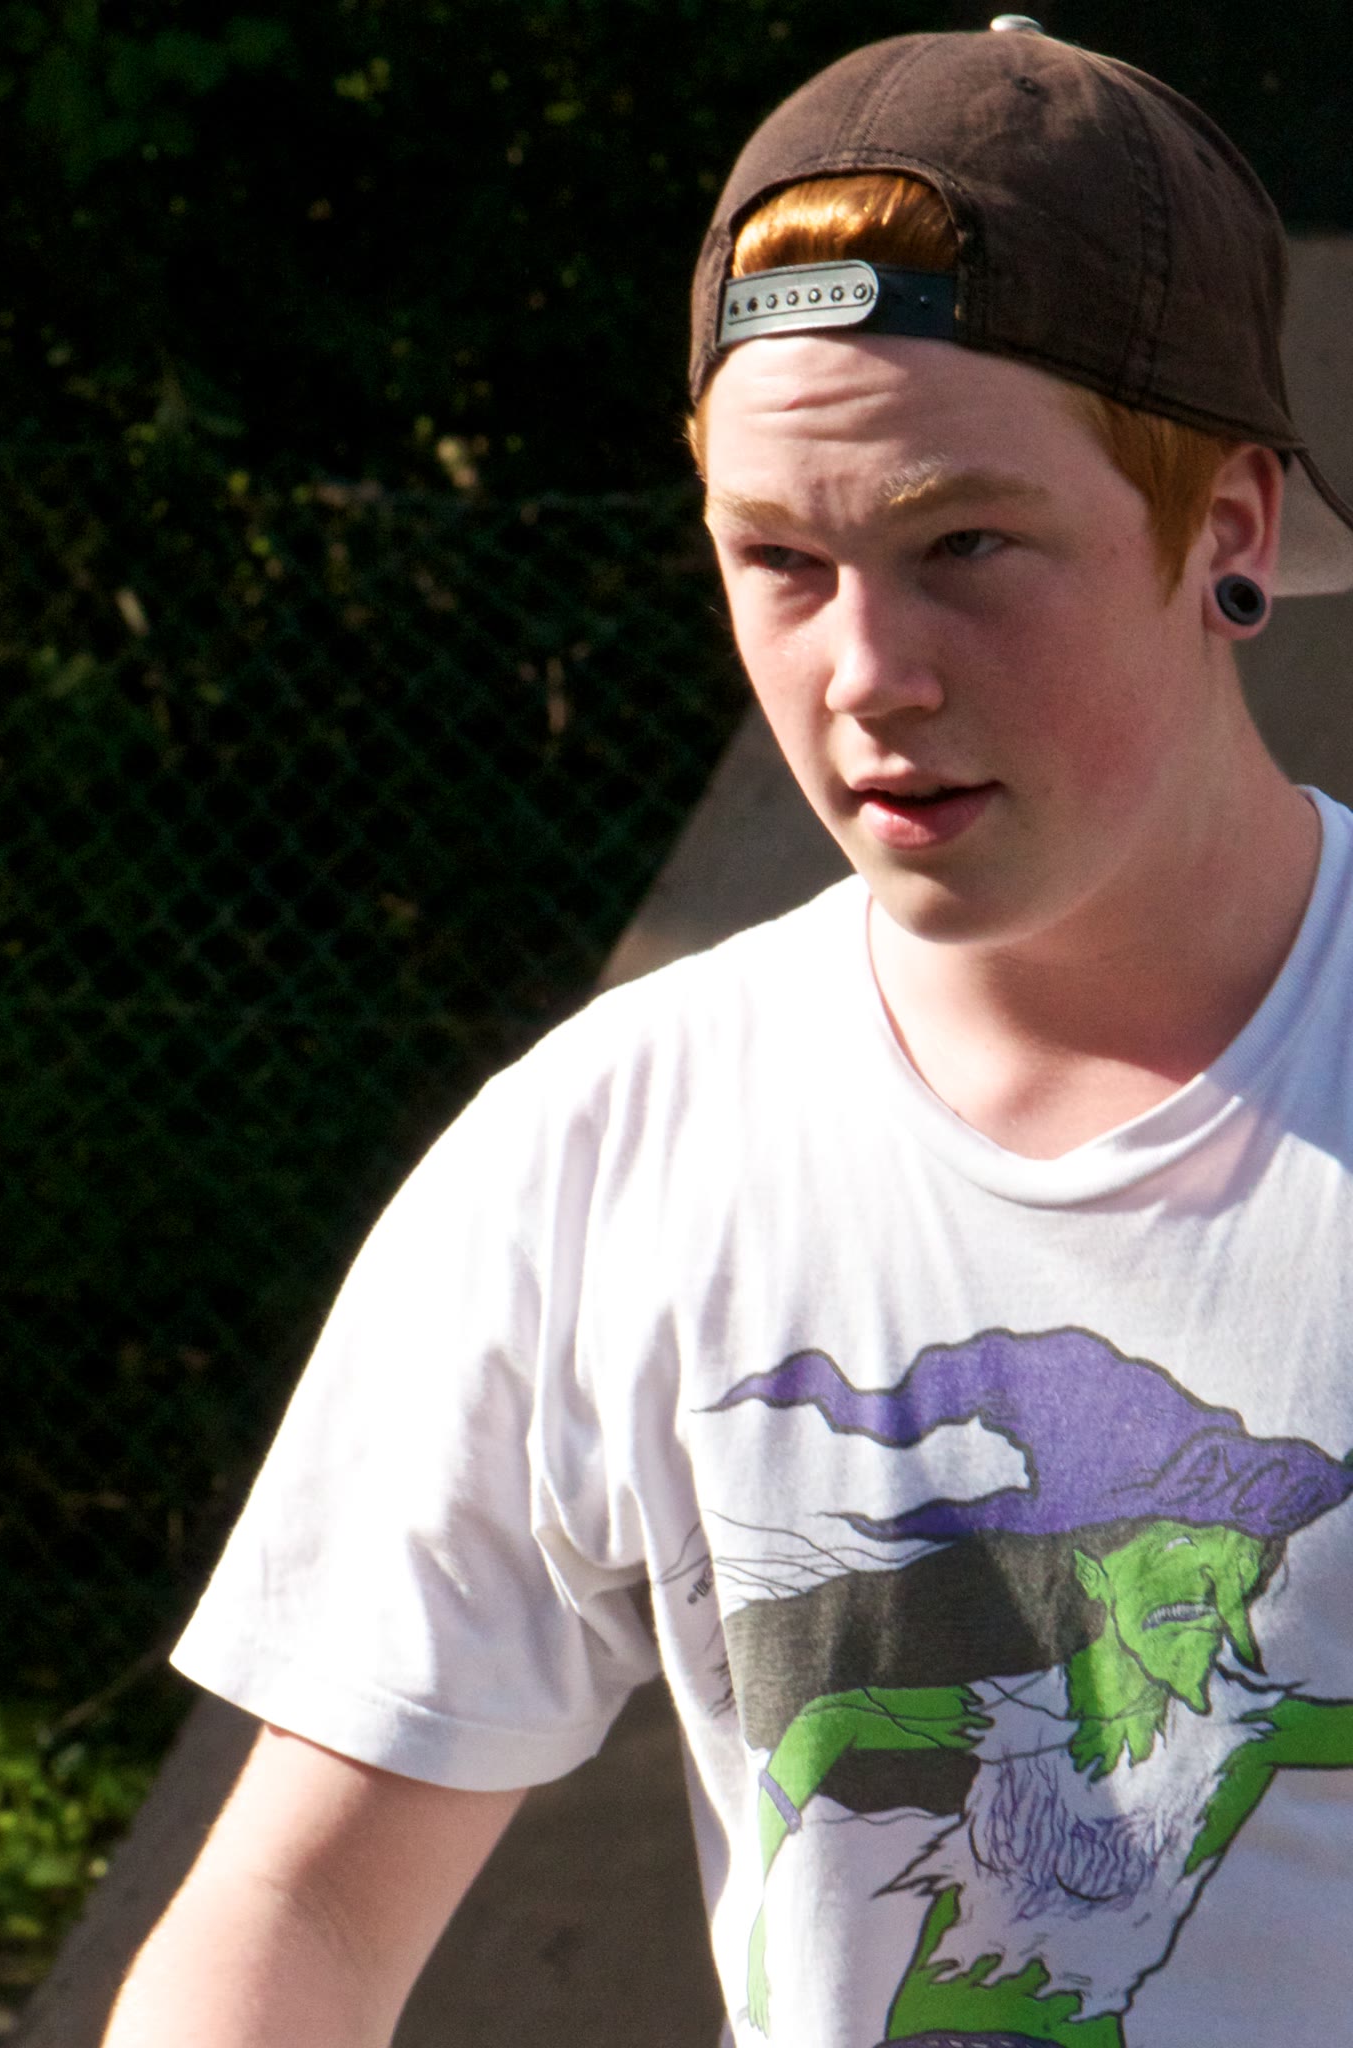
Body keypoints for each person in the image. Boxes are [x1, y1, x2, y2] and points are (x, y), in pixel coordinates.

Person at [104, 20, 1353, 2048]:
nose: (866, 673)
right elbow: (298, 1908)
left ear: (1224, 532)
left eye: (964, 546)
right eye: (779, 558)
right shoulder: (606, 1149)